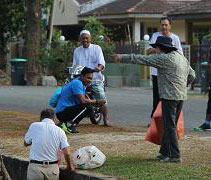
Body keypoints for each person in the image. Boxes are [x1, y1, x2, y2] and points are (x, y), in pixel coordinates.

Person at [113, 36, 195, 162]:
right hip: (181, 96)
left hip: (169, 97)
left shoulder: (164, 58)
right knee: (169, 125)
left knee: (169, 126)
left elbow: (143, 59)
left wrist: (123, 57)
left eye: (156, 47)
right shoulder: (181, 58)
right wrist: (184, 84)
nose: (155, 50)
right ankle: (165, 152)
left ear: (161, 48)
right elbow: (192, 74)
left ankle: (175, 155)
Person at [147, 17, 183, 118]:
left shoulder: (175, 38)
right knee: (157, 97)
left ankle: (169, 120)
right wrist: (159, 48)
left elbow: (180, 53)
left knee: (169, 98)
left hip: (171, 73)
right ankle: (154, 120)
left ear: (170, 26)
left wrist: (168, 50)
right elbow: (148, 51)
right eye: (162, 25)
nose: (164, 27)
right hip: (156, 73)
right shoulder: (155, 36)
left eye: (166, 25)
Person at [24, 109, 74, 180]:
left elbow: (26, 143)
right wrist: (69, 166)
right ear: (54, 118)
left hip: (35, 168)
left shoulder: (34, 126)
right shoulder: (60, 131)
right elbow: (67, 153)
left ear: (41, 118)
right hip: (52, 168)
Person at [73, 30, 110, 126]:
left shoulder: (96, 48)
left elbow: (101, 62)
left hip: (95, 79)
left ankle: (106, 120)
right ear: (80, 39)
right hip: (81, 79)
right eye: (83, 38)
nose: (85, 40)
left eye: (87, 38)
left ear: (90, 38)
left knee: (101, 97)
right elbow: (75, 66)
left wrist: (99, 68)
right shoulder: (77, 51)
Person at [55, 67, 106, 133]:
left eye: (91, 79)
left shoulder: (80, 84)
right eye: (88, 78)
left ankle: (63, 124)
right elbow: (83, 100)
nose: (90, 80)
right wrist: (97, 101)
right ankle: (69, 125)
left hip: (63, 112)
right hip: (62, 113)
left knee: (86, 107)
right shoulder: (77, 83)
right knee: (87, 108)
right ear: (82, 76)